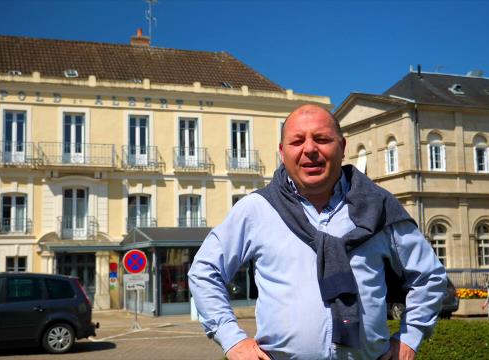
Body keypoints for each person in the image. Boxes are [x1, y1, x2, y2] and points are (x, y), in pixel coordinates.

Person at [188, 104, 447, 360]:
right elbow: (204, 271)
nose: (310, 149)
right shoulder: (257, 209)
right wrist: (233, 340)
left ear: (342, 147)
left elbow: (429, 276)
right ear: (282, 152)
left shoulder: (380, 206)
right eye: (297, 141)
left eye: (322, 139)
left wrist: (410, 337)